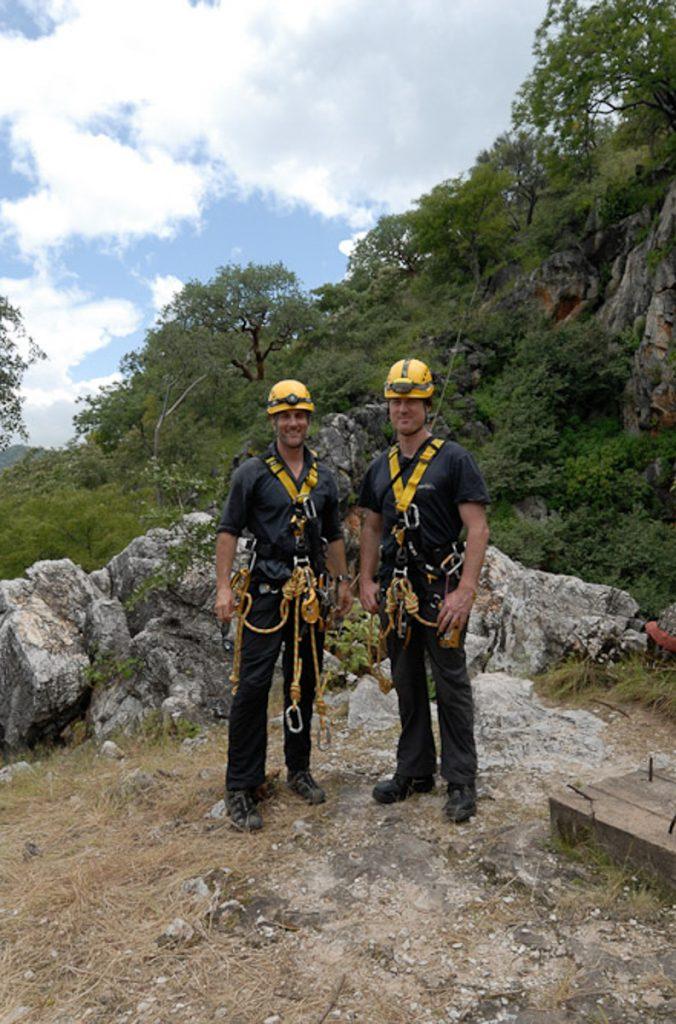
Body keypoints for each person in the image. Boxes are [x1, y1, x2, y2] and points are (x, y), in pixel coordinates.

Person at [215, 379, 352, 831]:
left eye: (300, 416)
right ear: (274, 420)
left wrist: (342, 582)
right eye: (285, 416)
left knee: (304, 681)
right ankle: (242, 785)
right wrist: (223, 588)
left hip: (309, 592)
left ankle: (298, 769)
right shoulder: (251, 474)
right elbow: (229, 531)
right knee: (253, 686)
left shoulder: (324, 478)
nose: (293, 423)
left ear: (308, 420)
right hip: (266, 590)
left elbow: (333, 535)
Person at [358, 358, 490, 823]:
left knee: (450, 683)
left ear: (426, 403)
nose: (403, 409)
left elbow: (476, 528)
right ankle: (414, 771)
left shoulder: (454, 459)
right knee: (408, 682)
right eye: (396, 401)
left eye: (411, 400)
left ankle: (460, 780)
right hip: (396, 591)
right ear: (388, 407)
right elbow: (371, 527)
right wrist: (366, 579)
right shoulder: (379, 468)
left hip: (441, 588)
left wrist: (467, 589)